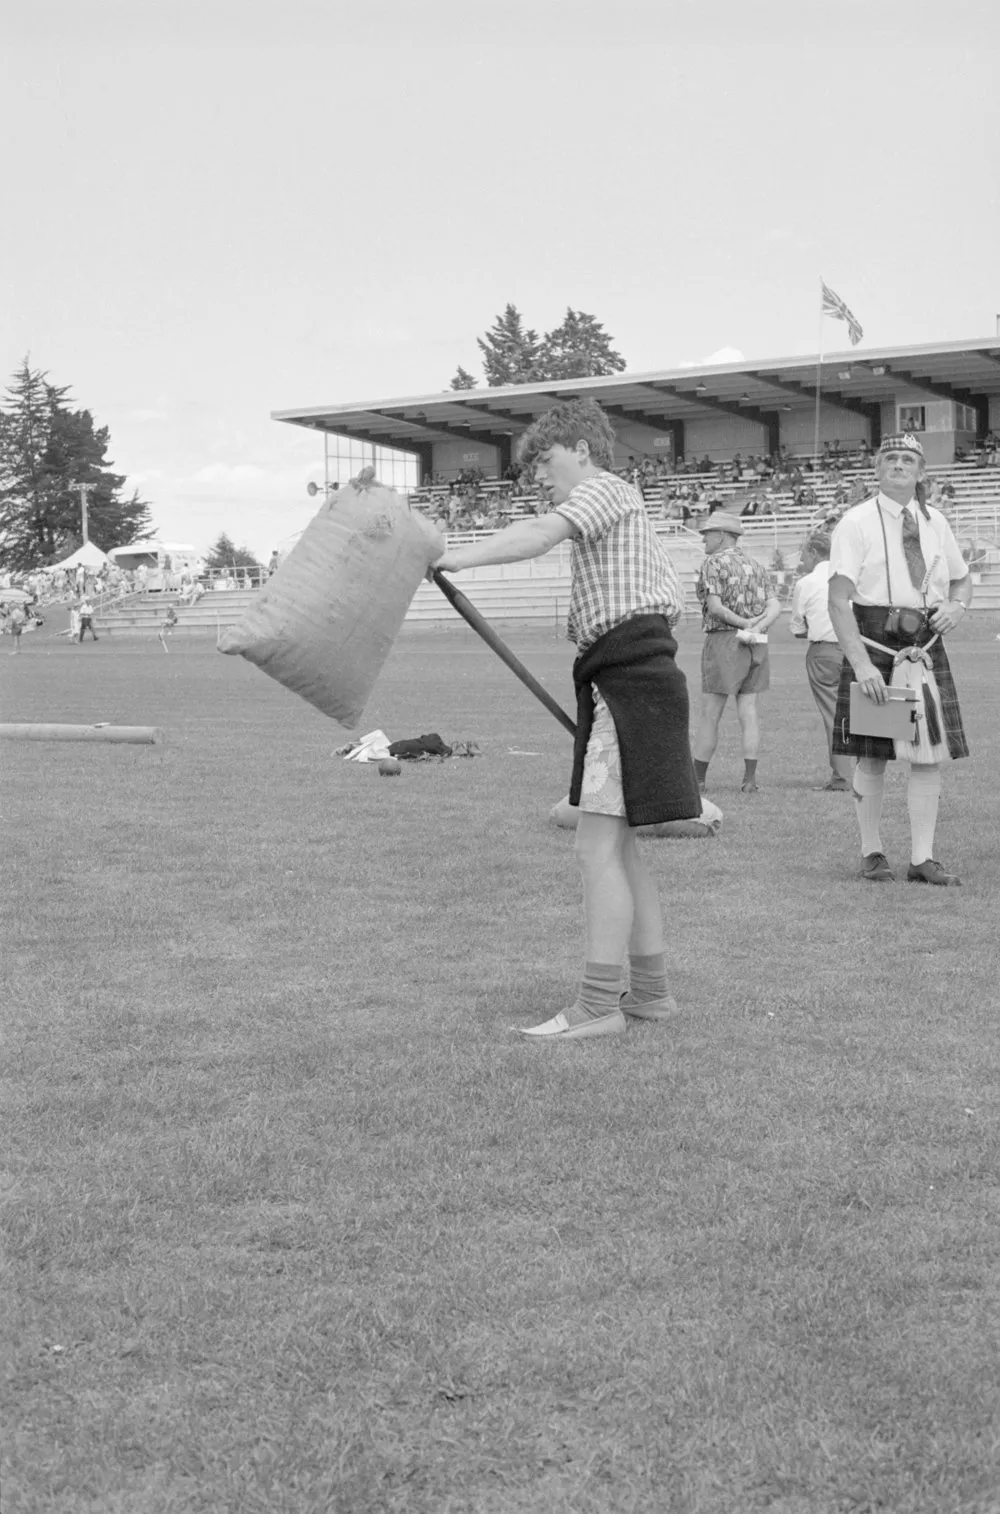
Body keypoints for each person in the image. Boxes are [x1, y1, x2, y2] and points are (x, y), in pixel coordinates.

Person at [433, 398, 700, 1042]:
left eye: (547, 461)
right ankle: (652, 994)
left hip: (630, 677)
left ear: (581, 448)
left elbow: (539, 534)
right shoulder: (615, 507)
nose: (542, 477)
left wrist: (456, 558)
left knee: (596, 845)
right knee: (622, 845)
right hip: (627, 675)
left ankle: (599, 1005)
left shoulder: (607, 489)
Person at [828, 433, 972, 885]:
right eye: (890, 458)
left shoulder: (936, 522)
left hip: (925, 645)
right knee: (873, 757)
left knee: (927, 756)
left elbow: (963, 580)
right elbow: (838, 601)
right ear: (876, 468)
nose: (899, 465)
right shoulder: (854, 523)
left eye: (908, 459)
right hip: (876, 642)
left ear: (921, 471)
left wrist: (957, 606)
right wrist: (863, 663)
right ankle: (872, 853)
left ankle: (922, 859)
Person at [692, 513, 781, 794]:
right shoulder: (755, 565)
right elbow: (775, 605)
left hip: (724, 639)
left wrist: (742, 624)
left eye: (707, 533)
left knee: (711, 713)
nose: (703, 538)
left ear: (722, 535)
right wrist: (758, 626)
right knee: (749, 711)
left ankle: (698, 779)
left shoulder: (713, 563)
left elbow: (715, 607)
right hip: (757, 641)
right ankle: (749, 779)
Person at [789, 530, 855, 792]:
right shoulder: (850, 575)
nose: (801, 559)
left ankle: (841, 777)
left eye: (803, 554)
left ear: (814, 553)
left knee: (833, 714)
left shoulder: (806, 582)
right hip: (856, 648)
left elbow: (796, 627)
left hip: (824, 652)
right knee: (859, 711)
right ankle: (866, 772)